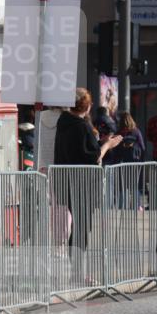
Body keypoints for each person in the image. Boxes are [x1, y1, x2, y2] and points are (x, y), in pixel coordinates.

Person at [53, 89, 122, 282]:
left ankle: (77, 272)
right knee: (82, 228)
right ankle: (77, 274)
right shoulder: (81, 126)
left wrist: (98, 142)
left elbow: (79, 150)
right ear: (88, 106)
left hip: (65, 181)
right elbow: (93, 157)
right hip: (81, 184)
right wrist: (108, 145)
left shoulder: (64, 123)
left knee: (78, 226)